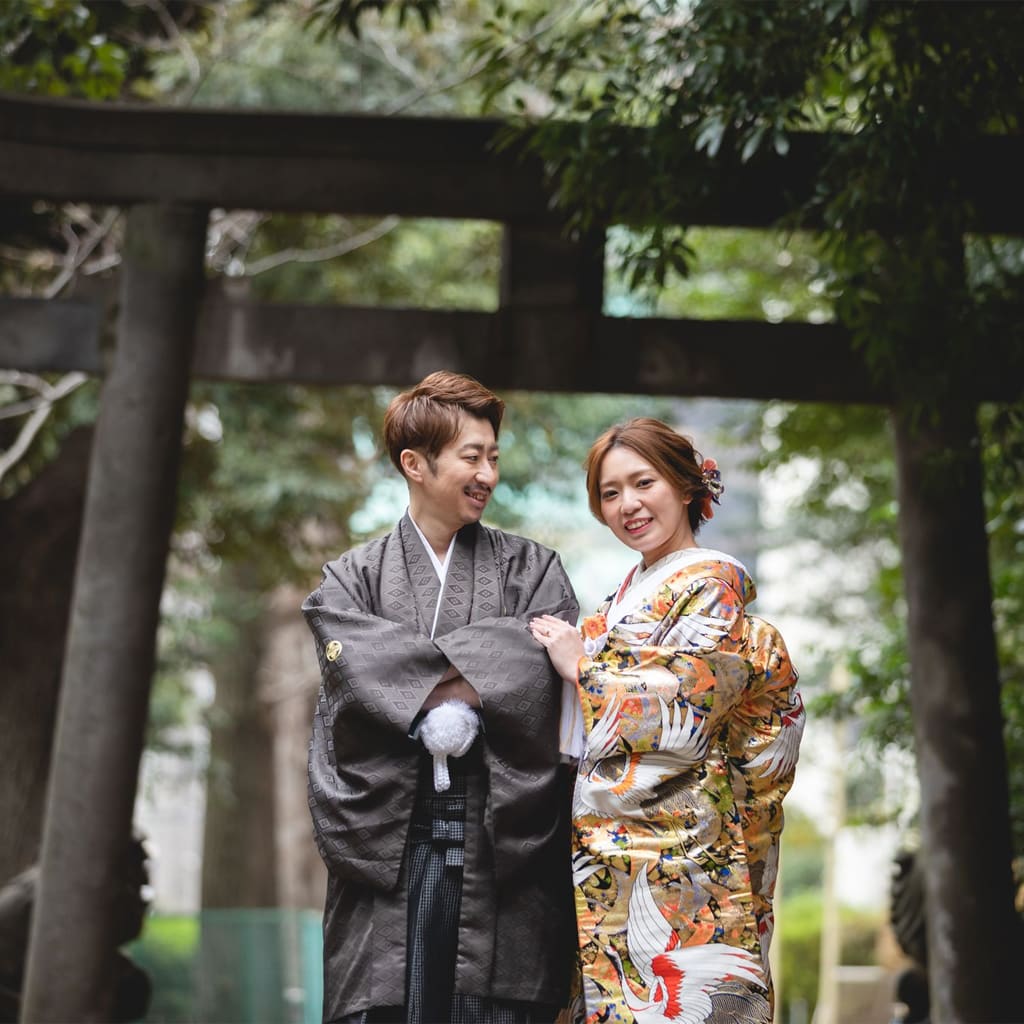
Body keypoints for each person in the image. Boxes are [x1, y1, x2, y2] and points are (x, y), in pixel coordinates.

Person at [302, 371, 579, 1024]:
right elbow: (355, 674)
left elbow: (539, 673)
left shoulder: (534, 570)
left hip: (500, 846)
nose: (488, 474)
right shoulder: (352, 579)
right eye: (471, 457)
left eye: (494, 458)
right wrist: (485, 666)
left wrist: (409, 677)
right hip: (390, 848)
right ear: (415, 464)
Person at [530, 418, 804, 1024]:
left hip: (680, 850)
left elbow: (685, 701)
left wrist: (583, 668)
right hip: (611, 854)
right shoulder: (620, 597)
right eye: (609, 493)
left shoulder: (713, 584)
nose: (627, 504)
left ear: (684, 486)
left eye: (643, 482)